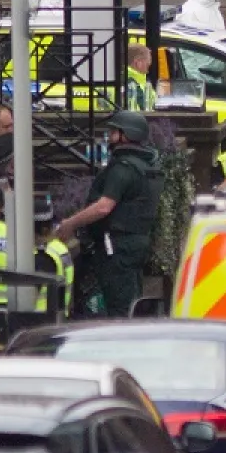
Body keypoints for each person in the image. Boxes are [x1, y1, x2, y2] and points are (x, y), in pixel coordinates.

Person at [56, 111, 165, 318]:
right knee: (131, 300)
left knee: (119, 306)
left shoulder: (123, 167)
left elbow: (103, 207)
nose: (109, 137)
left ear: (125, 135)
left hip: (116, 247)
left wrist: (70, 224)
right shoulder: (149, 166)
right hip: (136, 243)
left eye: (114, 132)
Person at [34, 195, 74, 317]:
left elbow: (28, 295)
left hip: (39, 321)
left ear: (43, 229)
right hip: (59, 319)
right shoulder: (60, 248)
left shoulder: (43, 256)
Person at [126, 43, 156, 112]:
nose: (148, 69)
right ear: (138, 62)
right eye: (147, 63)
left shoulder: (138, 80)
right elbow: (144, 107)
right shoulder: (131, 82)